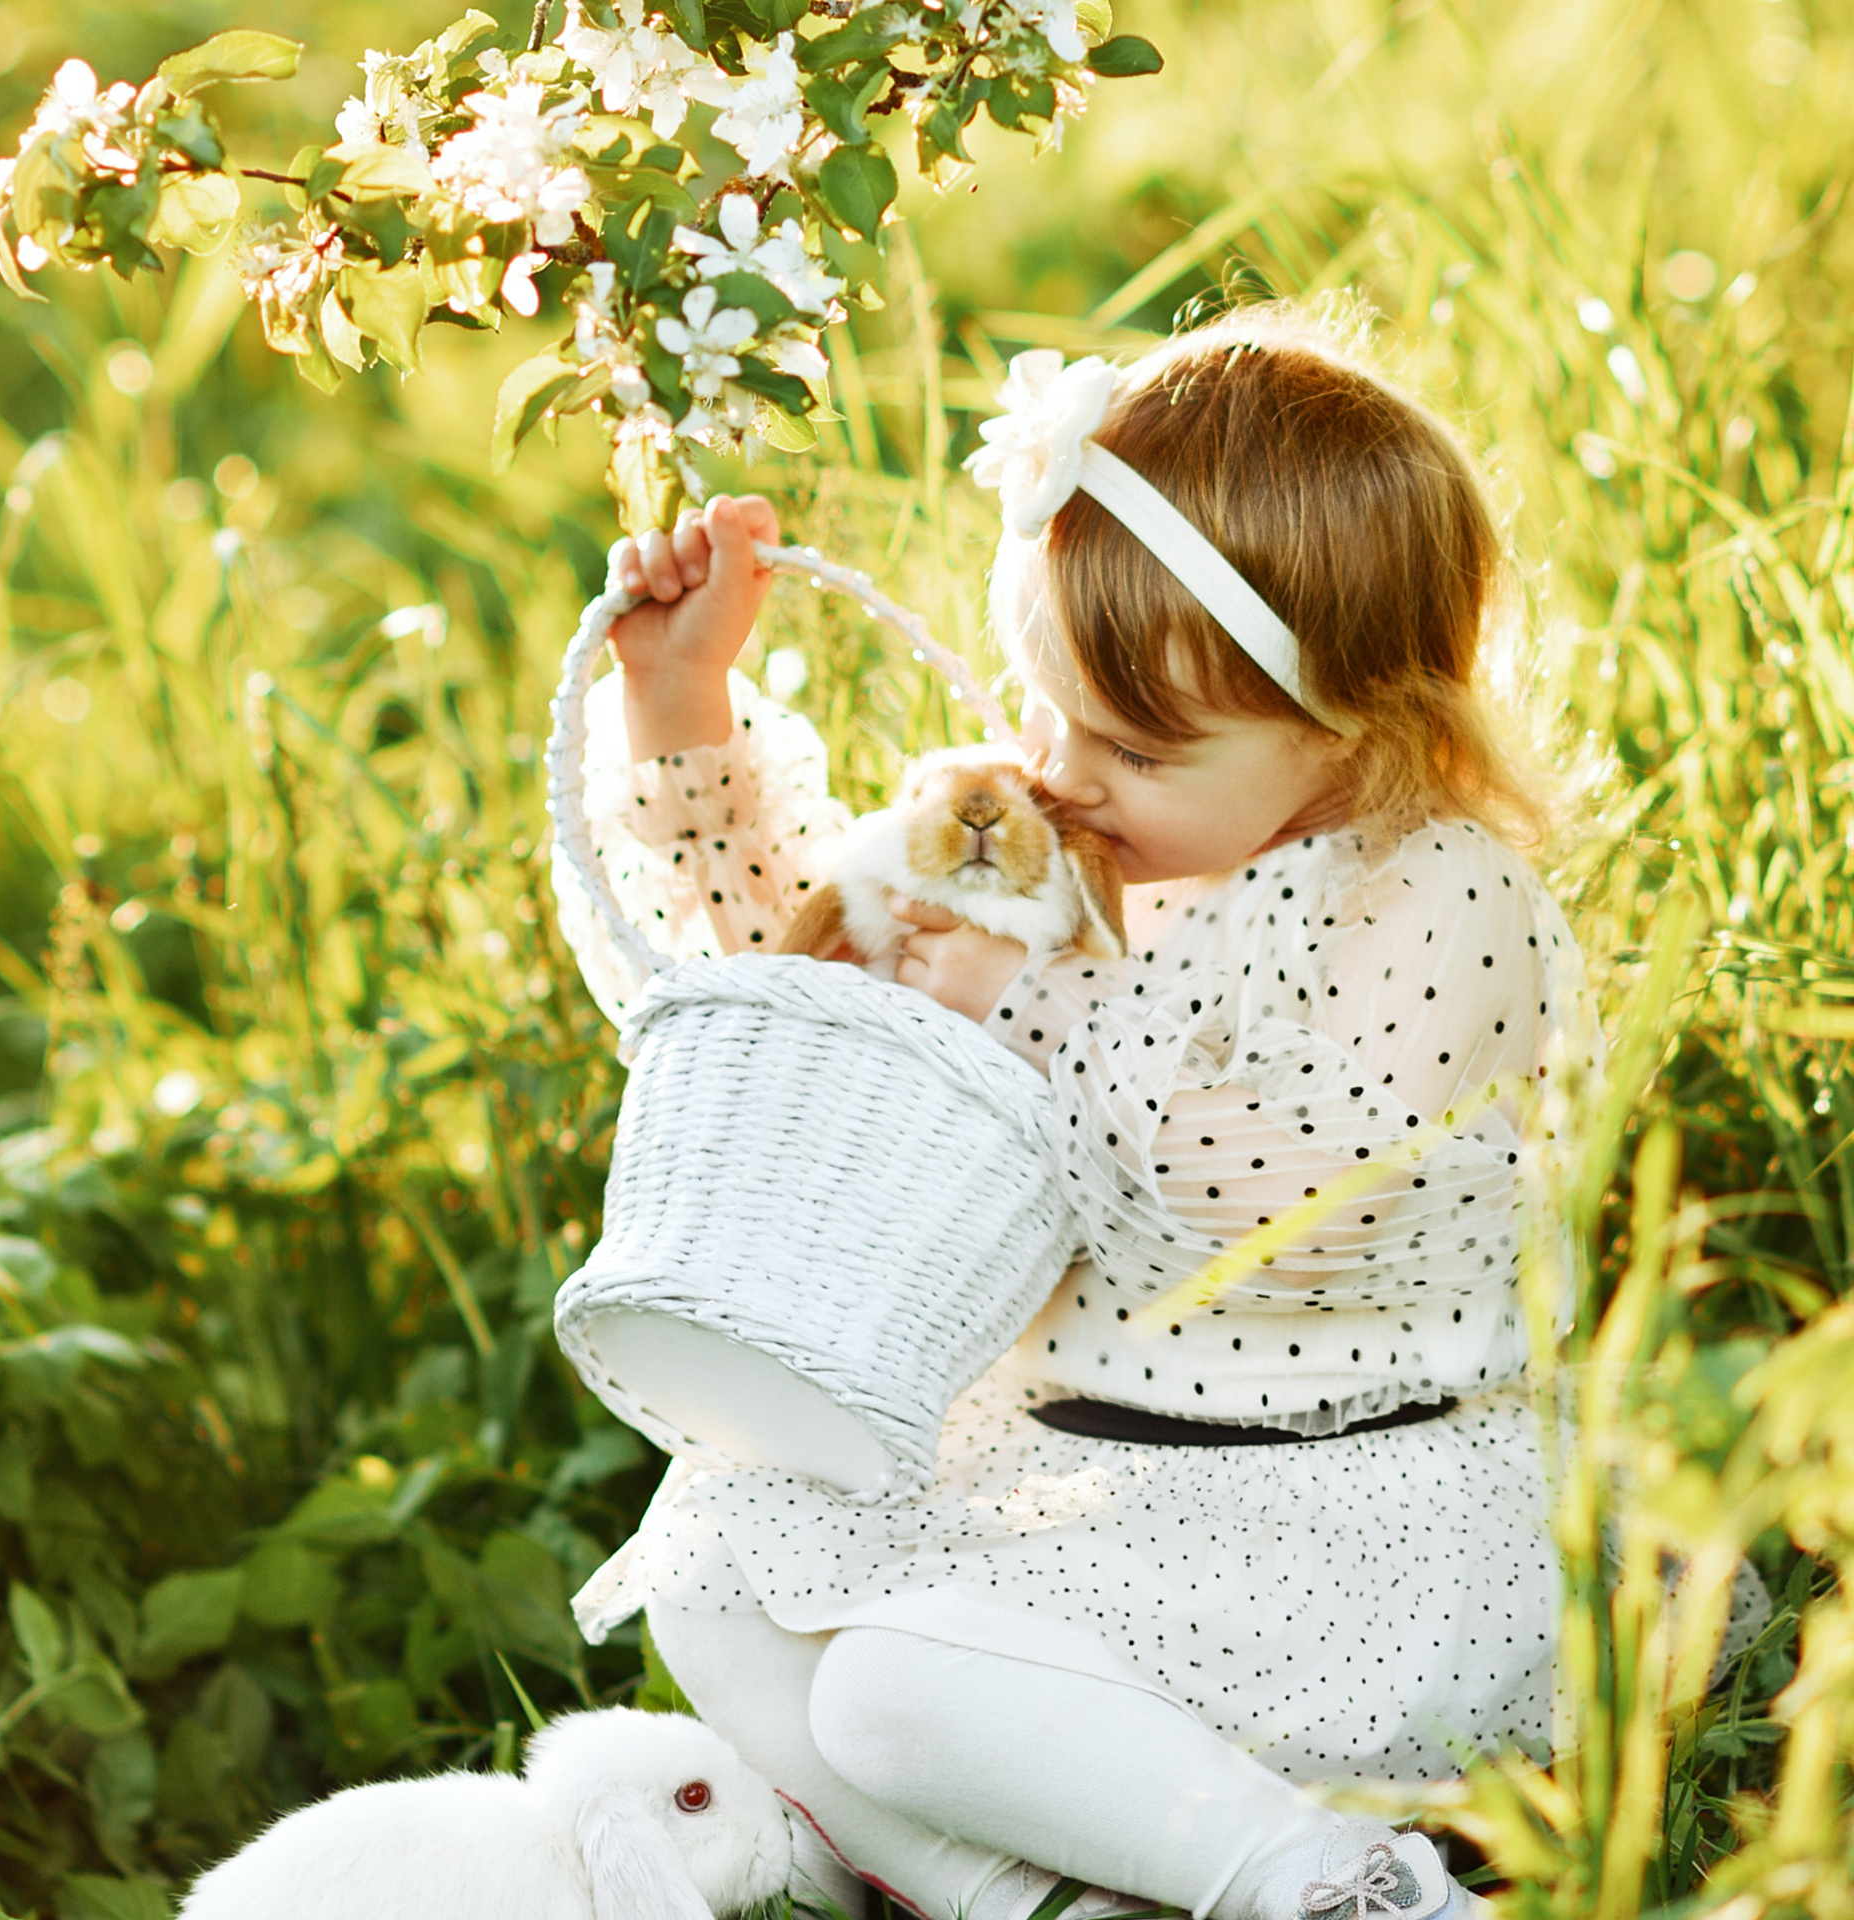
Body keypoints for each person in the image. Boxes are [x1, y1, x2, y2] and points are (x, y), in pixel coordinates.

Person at [554, 308, 1602, 1920]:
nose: (1060, 770)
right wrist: (685, 713)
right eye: (1047, 710)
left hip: (1342, 1520)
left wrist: (1008, 1006)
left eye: (1130, 744)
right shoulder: (1085, 849)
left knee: (893, 1699)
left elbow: (1286, 1188)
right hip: (1091, 1488)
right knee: (716, 1563)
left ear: (1364, 724)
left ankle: (1324, 1882)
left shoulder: (1434, 890)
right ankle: (1040, 1903)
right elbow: (807, 983)